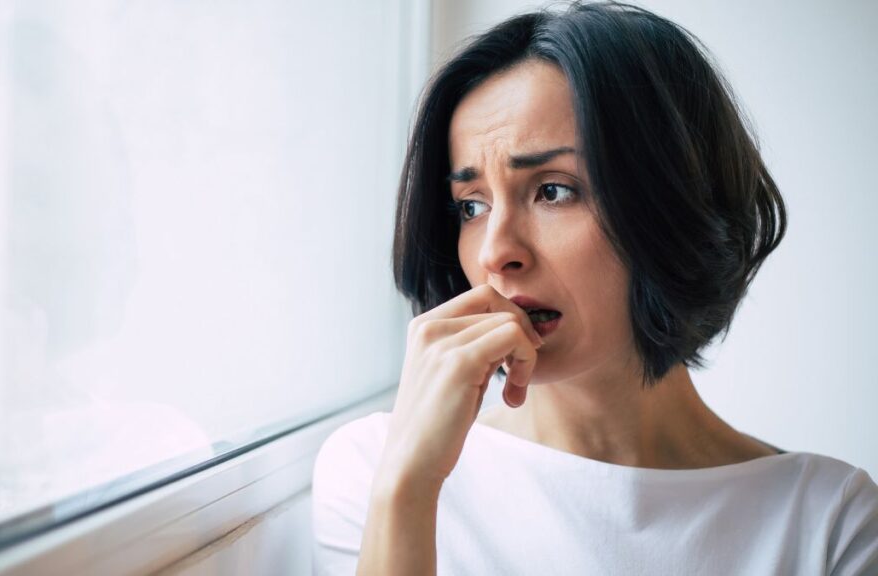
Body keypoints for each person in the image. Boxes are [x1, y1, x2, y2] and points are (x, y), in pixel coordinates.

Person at [311, 1, 878, 574]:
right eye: (472, 205)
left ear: (670, 203)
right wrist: (407, 489)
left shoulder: (831, 523)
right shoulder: (378, 471)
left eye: (553, 191)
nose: (494, 253)